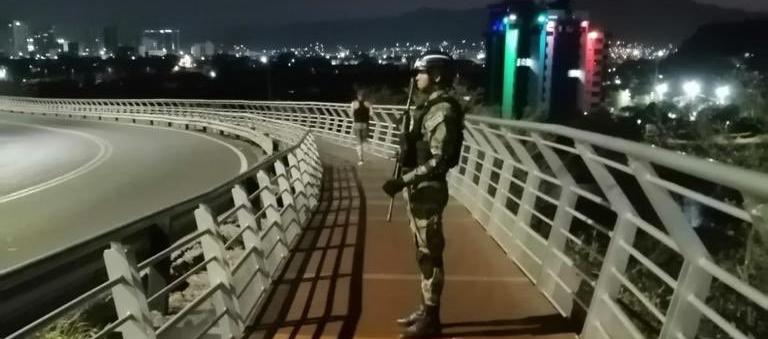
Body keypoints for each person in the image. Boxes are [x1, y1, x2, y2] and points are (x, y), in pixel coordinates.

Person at [382, 51, 464, 338]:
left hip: (427, 190)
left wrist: (402, 180)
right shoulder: (427, 107)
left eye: (421, 72)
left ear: (437, 75)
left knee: (430, 255)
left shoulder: (442, 111)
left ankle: (431, 321)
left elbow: (440, 160)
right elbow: (423, 149)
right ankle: (426, 309)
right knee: (423, 253)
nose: (416, 78)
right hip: (418, 190)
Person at [350, 90, 372, 165]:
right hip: (365, 124)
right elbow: (371, 114)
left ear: (357, 96)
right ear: (364, 96)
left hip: (357, 124)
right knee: (364, 140)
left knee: (358, 141)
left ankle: (361, 159)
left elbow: (351, 114)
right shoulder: (368, 104)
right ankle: (366, 145)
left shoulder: (354, 103)